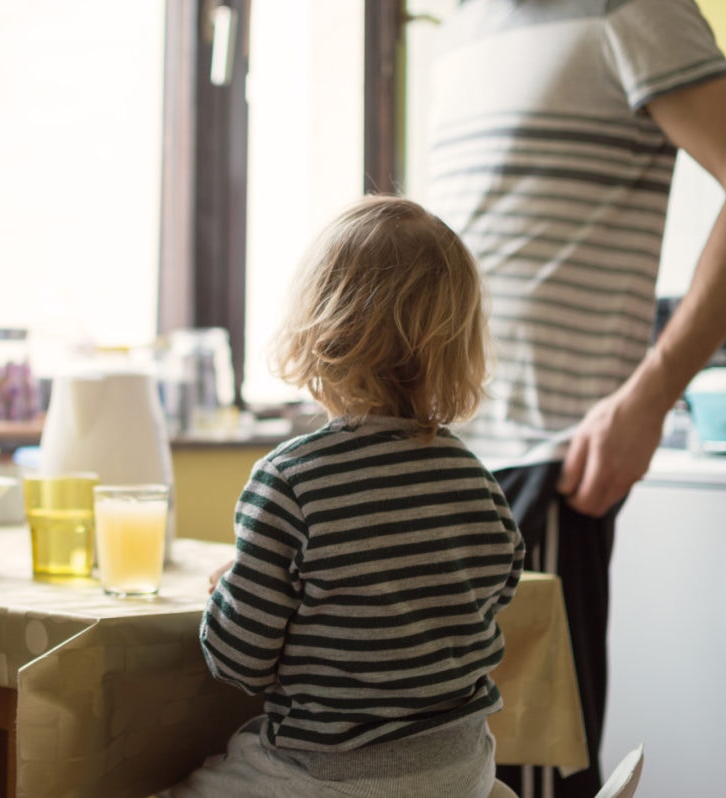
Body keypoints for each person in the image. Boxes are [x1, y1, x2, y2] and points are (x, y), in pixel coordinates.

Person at [425, 1, 726, 794]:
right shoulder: (465, 25)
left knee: (524, 778)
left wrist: (649, 396)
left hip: (544, 462)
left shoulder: (631, 8)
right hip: (439, 454)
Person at [158, 195, 525, 798]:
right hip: (463, 769)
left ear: (318, 333)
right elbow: (497, 587)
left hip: (327, 777)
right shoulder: (476, 478)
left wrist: (235, 587)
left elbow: (239, 661)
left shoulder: (290, 481)